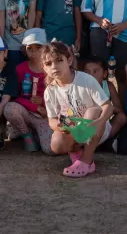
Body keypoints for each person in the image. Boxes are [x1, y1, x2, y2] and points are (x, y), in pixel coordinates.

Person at [43, 41, 113, 178]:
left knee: (92, 111)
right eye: (49, 64)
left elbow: (108, 106)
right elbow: (51, 120)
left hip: (97, 128)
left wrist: (99, 122)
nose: (54, 67)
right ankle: (76, 151)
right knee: (56, 144)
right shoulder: (50, 91)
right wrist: (59, 126)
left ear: (69, 60)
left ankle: (87, 161)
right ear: (44, 68)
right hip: (74, 128)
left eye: (59, 60)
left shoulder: (86, 80)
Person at [4, 29, 55, 154]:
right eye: (29, 48)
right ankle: (26, 134)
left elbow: (58, 96)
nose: (34, 52)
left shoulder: (52, 69)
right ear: (24, 50)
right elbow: (14, 97)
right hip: (25, 111)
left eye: (38, 47)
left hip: (45, 116)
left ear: (46, 48)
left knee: (50, 150)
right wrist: (34, 106)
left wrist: (42, 102)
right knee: (10, 109)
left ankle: (33, 132)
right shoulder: (19, 69)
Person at [81, 56, 127, 143]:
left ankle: (104, 141)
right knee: (92, 113)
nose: (91, 75)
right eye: (87, 72)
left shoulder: (108, 86)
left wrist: (109, 108)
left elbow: (120, 109)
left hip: (103, 123)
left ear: (105, 74)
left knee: (122, 117)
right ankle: (87, 142)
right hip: (86, 123)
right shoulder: (81, 87)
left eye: (95, 71)